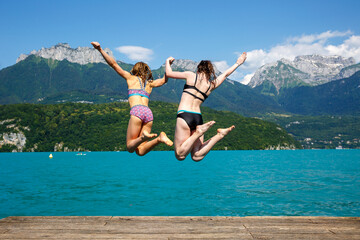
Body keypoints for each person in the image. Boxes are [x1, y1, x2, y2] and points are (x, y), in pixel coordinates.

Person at [91, 42, 173, 156]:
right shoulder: (150, 83)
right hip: (148, 113)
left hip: (137, 111)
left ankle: (144, 137)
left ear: (135, 69)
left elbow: (114, 64)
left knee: (130, 147)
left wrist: (100, 49)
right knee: (140, 151)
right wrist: (168, 63)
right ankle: (159, 138)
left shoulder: (130, 78)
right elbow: (165, 79)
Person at [165, 52, 247, 161]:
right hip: (198, 118)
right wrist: (238, 63)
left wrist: (167, 62)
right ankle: (220, 135)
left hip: (185, 115)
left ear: (198, 69)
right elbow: (225, 74)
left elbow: (169, 73)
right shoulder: (211, 85)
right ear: (210, 72)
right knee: (196, 156)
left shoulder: (191, 75)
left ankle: (198, 133)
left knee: (180, 155)